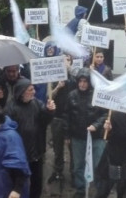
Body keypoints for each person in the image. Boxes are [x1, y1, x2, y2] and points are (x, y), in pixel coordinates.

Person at [5, 78, 56, 198]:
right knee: (18, 184)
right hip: (19, 154)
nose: (34, 92)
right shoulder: (10, 108)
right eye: (30, 90)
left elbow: (44, 122)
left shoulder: (37, 103)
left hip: (36, 153)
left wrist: (49, 112)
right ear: (22, 92)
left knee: (37, 183)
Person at [64, 68, 107, 198]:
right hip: (78, 137)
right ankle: (81, 190)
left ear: (90, 82)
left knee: (98, 165)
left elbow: (105, 114)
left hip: (96, 137)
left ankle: (99, 192)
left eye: (85, 81)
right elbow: (66, 116)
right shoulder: (71, 95)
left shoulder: (97, 95)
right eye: (80, 81)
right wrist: (67, 135)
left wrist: (96, 125)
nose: (82, 84)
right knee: (78, 166)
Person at [95, 109, 126, 198]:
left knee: (125, 192)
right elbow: (105, 136)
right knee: (103, 192)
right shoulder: (115, 114)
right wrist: (108, 130)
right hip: (112, 161)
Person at [47, 53, 76, 184]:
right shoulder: (53, 78)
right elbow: (49, 97)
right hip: (57, 118)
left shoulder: (75, 79)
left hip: (71, 118)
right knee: (58, 148)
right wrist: (58, 87)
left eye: (68, 60)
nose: (65, 62)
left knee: (73, 149)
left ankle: (74, 173)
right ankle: (58, 171)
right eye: (63, 60)